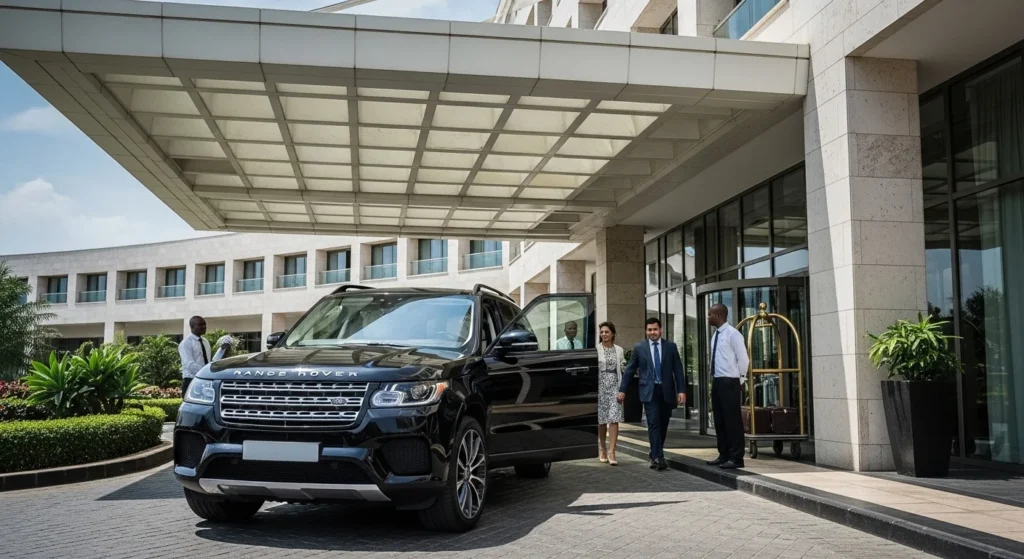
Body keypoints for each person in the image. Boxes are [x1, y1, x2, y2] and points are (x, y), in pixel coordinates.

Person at [617, 317, 685, 471]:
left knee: (663, 424)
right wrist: (622, 390)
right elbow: (630, 370)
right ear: (646, 331)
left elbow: (678, 370)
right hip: (649, 391)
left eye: (655, 329)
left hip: (666, 391)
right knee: (653, 423)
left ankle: (654, 453)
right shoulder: (639, 347)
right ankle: (659, 458)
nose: (652, 332)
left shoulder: (671, 347)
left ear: (660, 330)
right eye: (649, 330)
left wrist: (681, 390)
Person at [705, 303, 750, 470]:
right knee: (719, 420)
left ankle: (736, 457)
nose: (708, 317)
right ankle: (723, 454)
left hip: (730, 381)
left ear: (718, 315)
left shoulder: (733, 334)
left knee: (732, 421)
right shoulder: (716, 335)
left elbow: (743, 359)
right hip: (717, 381)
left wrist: (741, 379)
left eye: (710, 314)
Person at [178, 316, 232, 395]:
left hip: (205, 380)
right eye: (200, 324)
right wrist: (206, 372)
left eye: (205, 324)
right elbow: (189, 364)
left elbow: (211, 362)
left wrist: (222, 350)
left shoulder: (205, 341)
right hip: (192, 380)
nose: (204, 327)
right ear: (192, 326)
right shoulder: (186, 343)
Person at [596, 321, 625, 466]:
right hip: (600, 386)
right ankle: (602, 449)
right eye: (602, 332)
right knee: (602, 420)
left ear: (613, 333)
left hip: (615, 385)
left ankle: (612, 451)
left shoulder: (619, 350)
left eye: (606, 332)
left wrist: (622, 390)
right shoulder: (596, 349)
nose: (604, 334)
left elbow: (622, 367)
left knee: (614, 419)